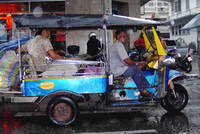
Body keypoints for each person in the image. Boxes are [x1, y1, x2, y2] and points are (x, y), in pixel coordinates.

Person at [110, 29, 153, 99]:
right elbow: (126, 60)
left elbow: (125, 61)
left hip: (118, 68)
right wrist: (136, 65)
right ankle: (144, 91)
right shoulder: (118, 45)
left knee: (135, 68)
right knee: (135, 70)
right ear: (117, 36)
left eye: (124, 35)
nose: (123, 37)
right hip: (116, 70)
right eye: (121, 35)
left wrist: (138, 63)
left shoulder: (117, 45)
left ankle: (144, 89)